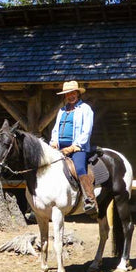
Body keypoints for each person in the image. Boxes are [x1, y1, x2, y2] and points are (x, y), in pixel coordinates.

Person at [50, 81, 97, 216]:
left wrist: (73, 147)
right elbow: (55, 129)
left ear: (77, 94)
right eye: (67, 94)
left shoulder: (85, 109)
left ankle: (90, 199)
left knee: (80, 168)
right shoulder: (62, 110)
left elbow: (86, 131)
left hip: (78, 147)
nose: (70, 96)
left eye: (72, 93)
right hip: (60, 147)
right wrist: (53, 142)